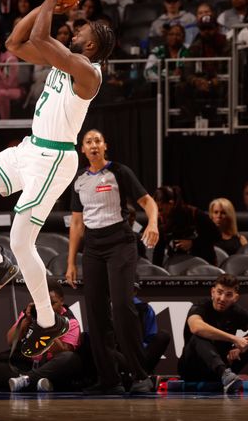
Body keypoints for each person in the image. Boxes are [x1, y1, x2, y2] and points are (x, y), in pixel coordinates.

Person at [0, 0, 115, 358]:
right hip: (29, 148)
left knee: (22, 240)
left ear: (91, 48)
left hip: (54, 159)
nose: (74, 33)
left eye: (81, 34)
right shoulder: (66, 61)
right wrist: (49, 3)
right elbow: (16, 40)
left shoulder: (87, 74)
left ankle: (48, 320)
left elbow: (40, 36)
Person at [65, 129, 160, 394]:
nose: (94, 145)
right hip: (93, 247)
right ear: (82, 149)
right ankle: (109, 380)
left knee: (121, 306)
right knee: (95, 313)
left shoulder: (119, 171)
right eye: (88, 142)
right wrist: (72, 262)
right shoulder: (79, 181)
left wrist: (153, 223)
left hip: (120, 242)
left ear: (105, 145)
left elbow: (148, 201)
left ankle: (141, 376)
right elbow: (76, 223)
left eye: (98, 140)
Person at [0, 280, 83, 392]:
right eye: (43, 304)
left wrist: (46, 326)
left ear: (61, 301)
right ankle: (36, 382)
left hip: (50, 365)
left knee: (70, 359)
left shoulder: (70, 322)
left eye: (52, 303)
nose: (48, 308)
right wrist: (27, 321)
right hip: (30, 362)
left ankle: (26, 381)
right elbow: (10, 341)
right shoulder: (30, 314)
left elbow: (63, 352)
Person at [152, 185, 219, 266]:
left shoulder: (195, 214)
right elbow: (158, 252)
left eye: (160, 210)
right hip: (176, 266)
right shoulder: (162, 221)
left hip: (203, 266)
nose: (159, 214)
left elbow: (217, 235)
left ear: (171, 203)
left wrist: (193, 244)